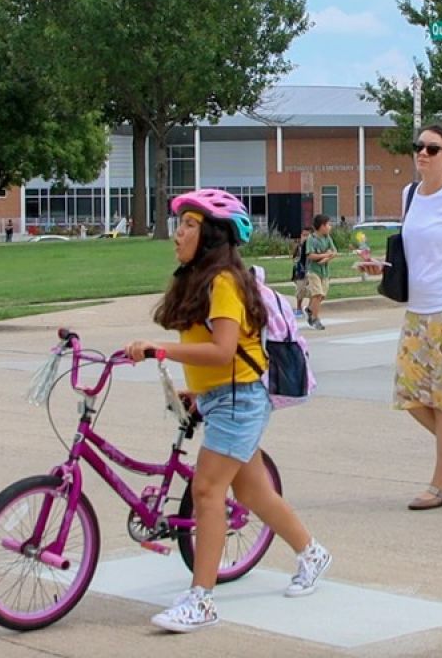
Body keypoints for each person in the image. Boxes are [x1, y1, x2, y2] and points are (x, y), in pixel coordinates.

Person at [124, 188, 332, 633]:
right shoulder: (196, 279)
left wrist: (157, 350)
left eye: (189, 225)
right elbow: (214, 354)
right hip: (224, 397)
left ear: (213, 235)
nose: (178, 233)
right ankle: (312, 553)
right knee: (254, 494)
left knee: (206, 493)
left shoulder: (223, 283)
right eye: (180, 223)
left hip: (240, 398)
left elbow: (223, 351)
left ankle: (201, 600)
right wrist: (196, 393)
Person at [361, 124, 442, 510]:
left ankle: (441, 483)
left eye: (433, 149)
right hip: (417, 308)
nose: (423, 154)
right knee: (410, 396)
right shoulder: (409, 194)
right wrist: (381, 269)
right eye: (420, 147)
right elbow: (410, 254)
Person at [304, 215, 336, 330]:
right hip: (313, 271)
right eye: (328, 224)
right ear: (322, 226)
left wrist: (326, 258)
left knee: (322, 296)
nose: (329, 227)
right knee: (317, 294)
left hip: (325, 272)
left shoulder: (327, 238)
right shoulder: (311, 239)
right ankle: (315, 319)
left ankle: (309, 310)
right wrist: (325, 254)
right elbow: (310, 255)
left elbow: (334, 251)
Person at [291, 226, 311, 316]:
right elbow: (295, 259)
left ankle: (310, 308)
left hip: (311, 271)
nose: (305, 237)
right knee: (300, 290)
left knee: (312, 290)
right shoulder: (299, 247)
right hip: (300, 272)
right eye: (304, 235)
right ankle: (299, 308)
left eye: (308, 235)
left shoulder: (312, 247)